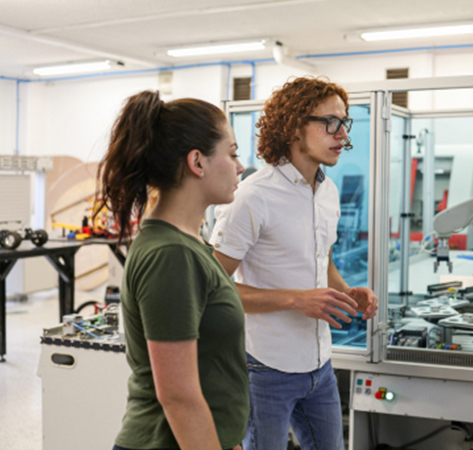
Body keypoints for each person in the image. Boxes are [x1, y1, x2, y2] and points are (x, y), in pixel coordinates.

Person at [211, 76, 379, 450]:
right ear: (294, 127)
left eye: (345, 123)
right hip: (265, 367)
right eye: (330, 123)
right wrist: (295, 300)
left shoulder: (329, 192)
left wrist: (347, 292)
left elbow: (324, 262)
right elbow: (211, 290)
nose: (342, 135)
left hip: (319, 365)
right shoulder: (252, 197)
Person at [95, 90, 248, 450]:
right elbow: (178, 397)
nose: (240, 166)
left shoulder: (187, 244)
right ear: (197, 162)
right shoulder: (171, 256)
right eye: (232, 153)